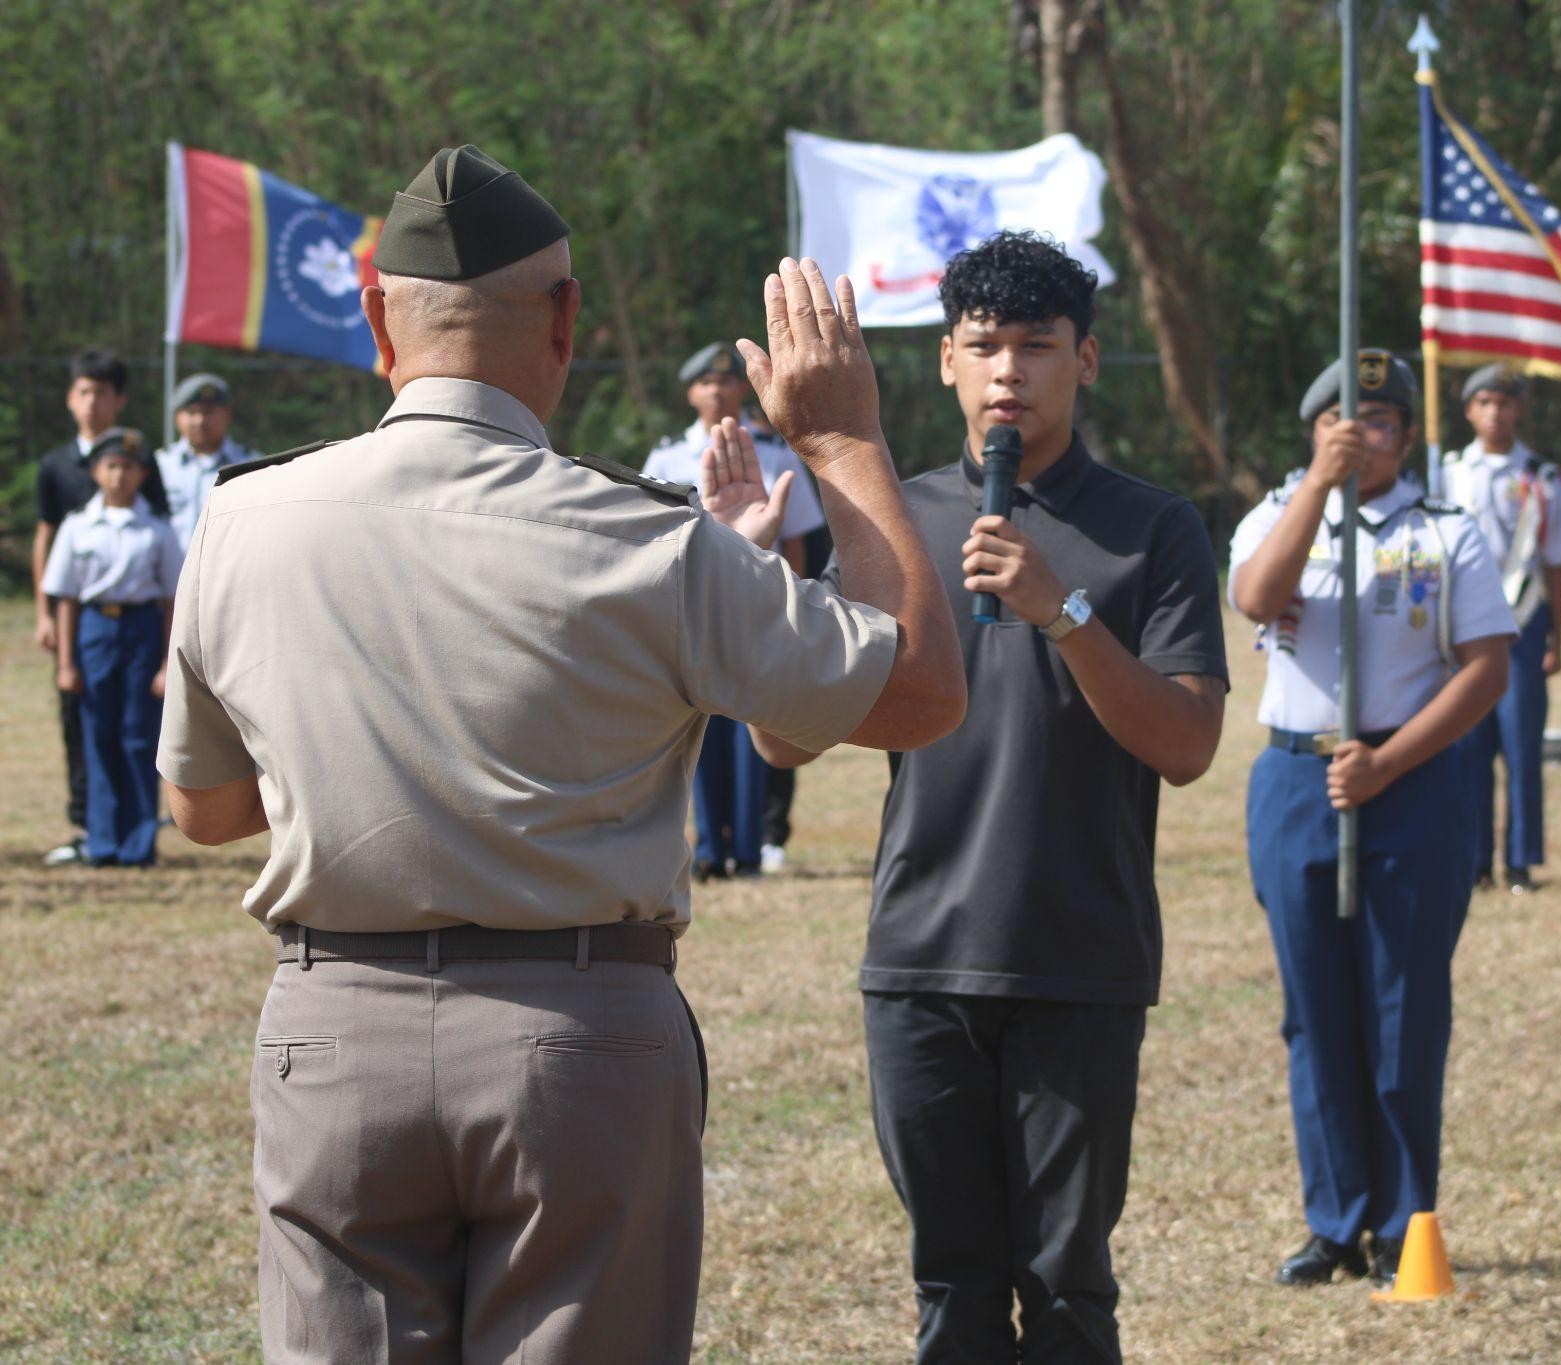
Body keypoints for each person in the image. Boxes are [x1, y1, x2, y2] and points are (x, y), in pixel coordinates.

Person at [157, 144, 964, 1361]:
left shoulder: (242, 517)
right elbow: (916, 692)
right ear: (566, 319)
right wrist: (844, 443)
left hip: (332, 1033)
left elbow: (204, 809)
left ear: (377, 319)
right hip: (575, 1034)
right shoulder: (648, 538)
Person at [751, 230, 1229, 1362]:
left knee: (1064, 1289)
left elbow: (1188, 743)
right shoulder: (886, 518)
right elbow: (779, 743)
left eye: (1037, 346)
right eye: (982, 345)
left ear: (1087, 360)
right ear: (944, 366)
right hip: (920, 961)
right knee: (951, 1291)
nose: (1009, 369)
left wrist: (1063, 613)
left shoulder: (1152, 528)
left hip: (1077, 956)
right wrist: (763, 582)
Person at [1229, 349, 1513, 1287]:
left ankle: (1402, 1218)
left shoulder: (1450, 531)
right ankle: (1333, 1216)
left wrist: (1390, 761)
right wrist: (1320, 481)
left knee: (1404, 1007)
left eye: (1381, 424)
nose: (1363, 439)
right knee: (1314, 1011)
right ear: (1314, 432)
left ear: (1407, 435)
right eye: (1341, 424)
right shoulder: (1279, 514)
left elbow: (1484, 666)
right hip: (1298, 778)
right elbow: (1258, 599)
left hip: (1412, 780)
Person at [648, 341, 827, 877]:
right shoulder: (665, 459)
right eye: (707, 382)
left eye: (728, 381)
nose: (718, 390)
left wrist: (790, 602)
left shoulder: (775, 457)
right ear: (691, 393)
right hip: (693, 609)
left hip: (758, 609)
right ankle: (708, 848)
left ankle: (750, 848)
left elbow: (795, 542)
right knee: (697, 731)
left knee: (756, 729)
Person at [1439, 364, 1561, 893]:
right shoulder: (1449, 474)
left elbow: (1560, 561)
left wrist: (1556, 638)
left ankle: (1521, 861)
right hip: (1461, 634)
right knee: (1468, 749)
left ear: (1518, 410)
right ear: (1469, 411)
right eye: (1485, 403)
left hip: (1523, 630)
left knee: (1522, 749)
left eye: (1504, 403)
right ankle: (1475, 858)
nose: (1495, 413)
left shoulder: (1542, 478)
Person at [32, 350, 170, 865]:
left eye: (102, 392)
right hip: (88, 626)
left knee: (138, 733)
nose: (118, 475)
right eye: (83, 391)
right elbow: (49, 547)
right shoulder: (56, 469)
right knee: (89, 728)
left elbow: (165, 565)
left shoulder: (145, 481)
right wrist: (46, 617)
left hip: (137, 627)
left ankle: (137, 840)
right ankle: (94, 832)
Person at [156, 372, 260, 552]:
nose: (200, 421)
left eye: (209, 412)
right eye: (191, 412)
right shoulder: (160, 465)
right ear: (176, 417)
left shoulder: (251, 465)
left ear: (228, 415)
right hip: (172, 574)